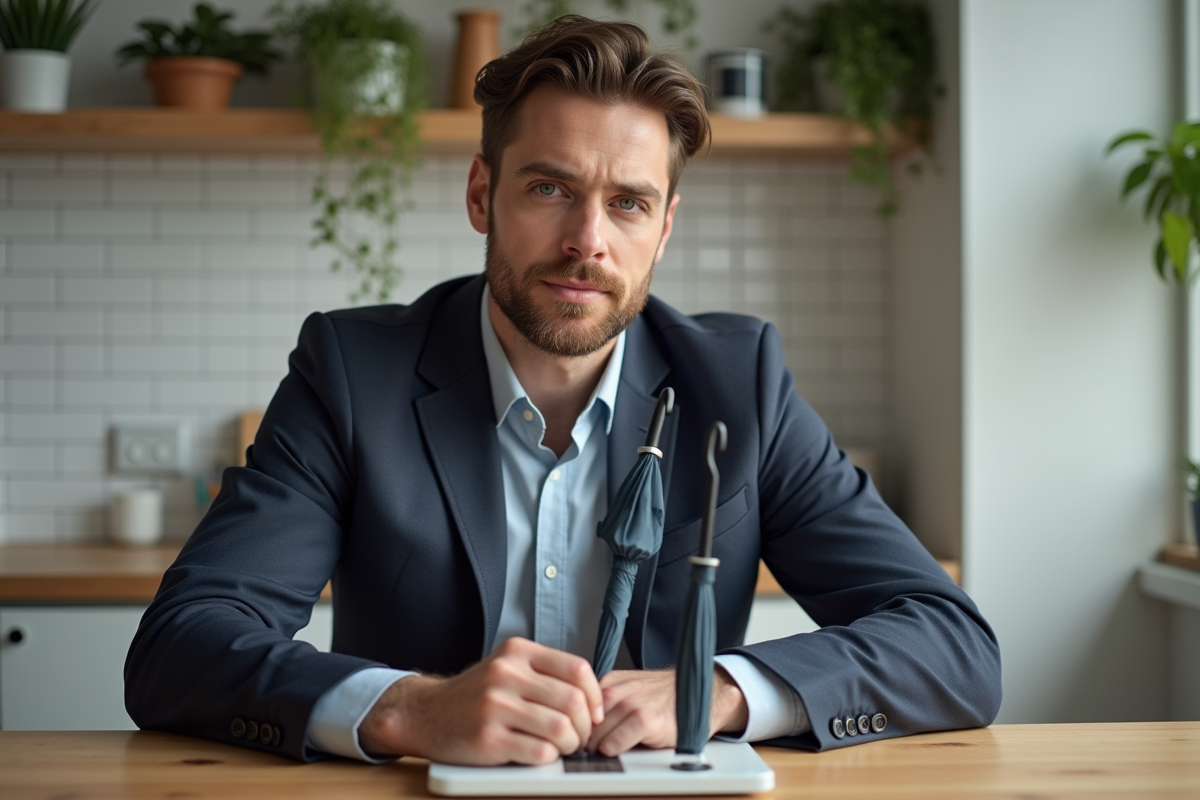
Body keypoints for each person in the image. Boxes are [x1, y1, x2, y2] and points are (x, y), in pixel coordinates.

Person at [125, 16, 1001, 766]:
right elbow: (181, 645)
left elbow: (952, 645)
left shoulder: (742, 387)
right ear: (482, 194)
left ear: (664, 230)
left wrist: (719, 691)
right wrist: (410, 709)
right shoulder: (352, 373)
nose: (588, 239)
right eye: (551, 188)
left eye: (627, 204)